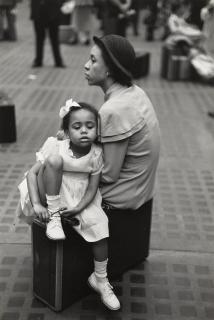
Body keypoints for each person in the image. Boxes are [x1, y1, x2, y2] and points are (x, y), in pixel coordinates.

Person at [17, 99, 120, 311]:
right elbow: (33, 174)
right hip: (51, 189)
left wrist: (80, 207)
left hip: (78, 195)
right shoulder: (56, 145)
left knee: (101, 225)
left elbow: (92, 188)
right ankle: (54, 216)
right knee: (54, 161)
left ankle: (100, 278)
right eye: (77, 126)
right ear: (66, 130)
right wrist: (37, 204)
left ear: (97, 130)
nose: (84, 131)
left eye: (90, 126)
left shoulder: (97, 153)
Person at [84, 34, 160, 216]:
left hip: (124, 195)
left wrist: (69, 167)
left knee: (48, 182)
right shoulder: (135, 92)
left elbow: (109, 174)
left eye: (93, 60)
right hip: (141, 187)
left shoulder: (113, 110)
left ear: (110, 69)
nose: (86, 65)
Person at [30, 0, 65, 68]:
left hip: (53, 11)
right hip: (39, 11)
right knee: (39, 38)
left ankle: (58, 61)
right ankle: (38, 60)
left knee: (54, 38)